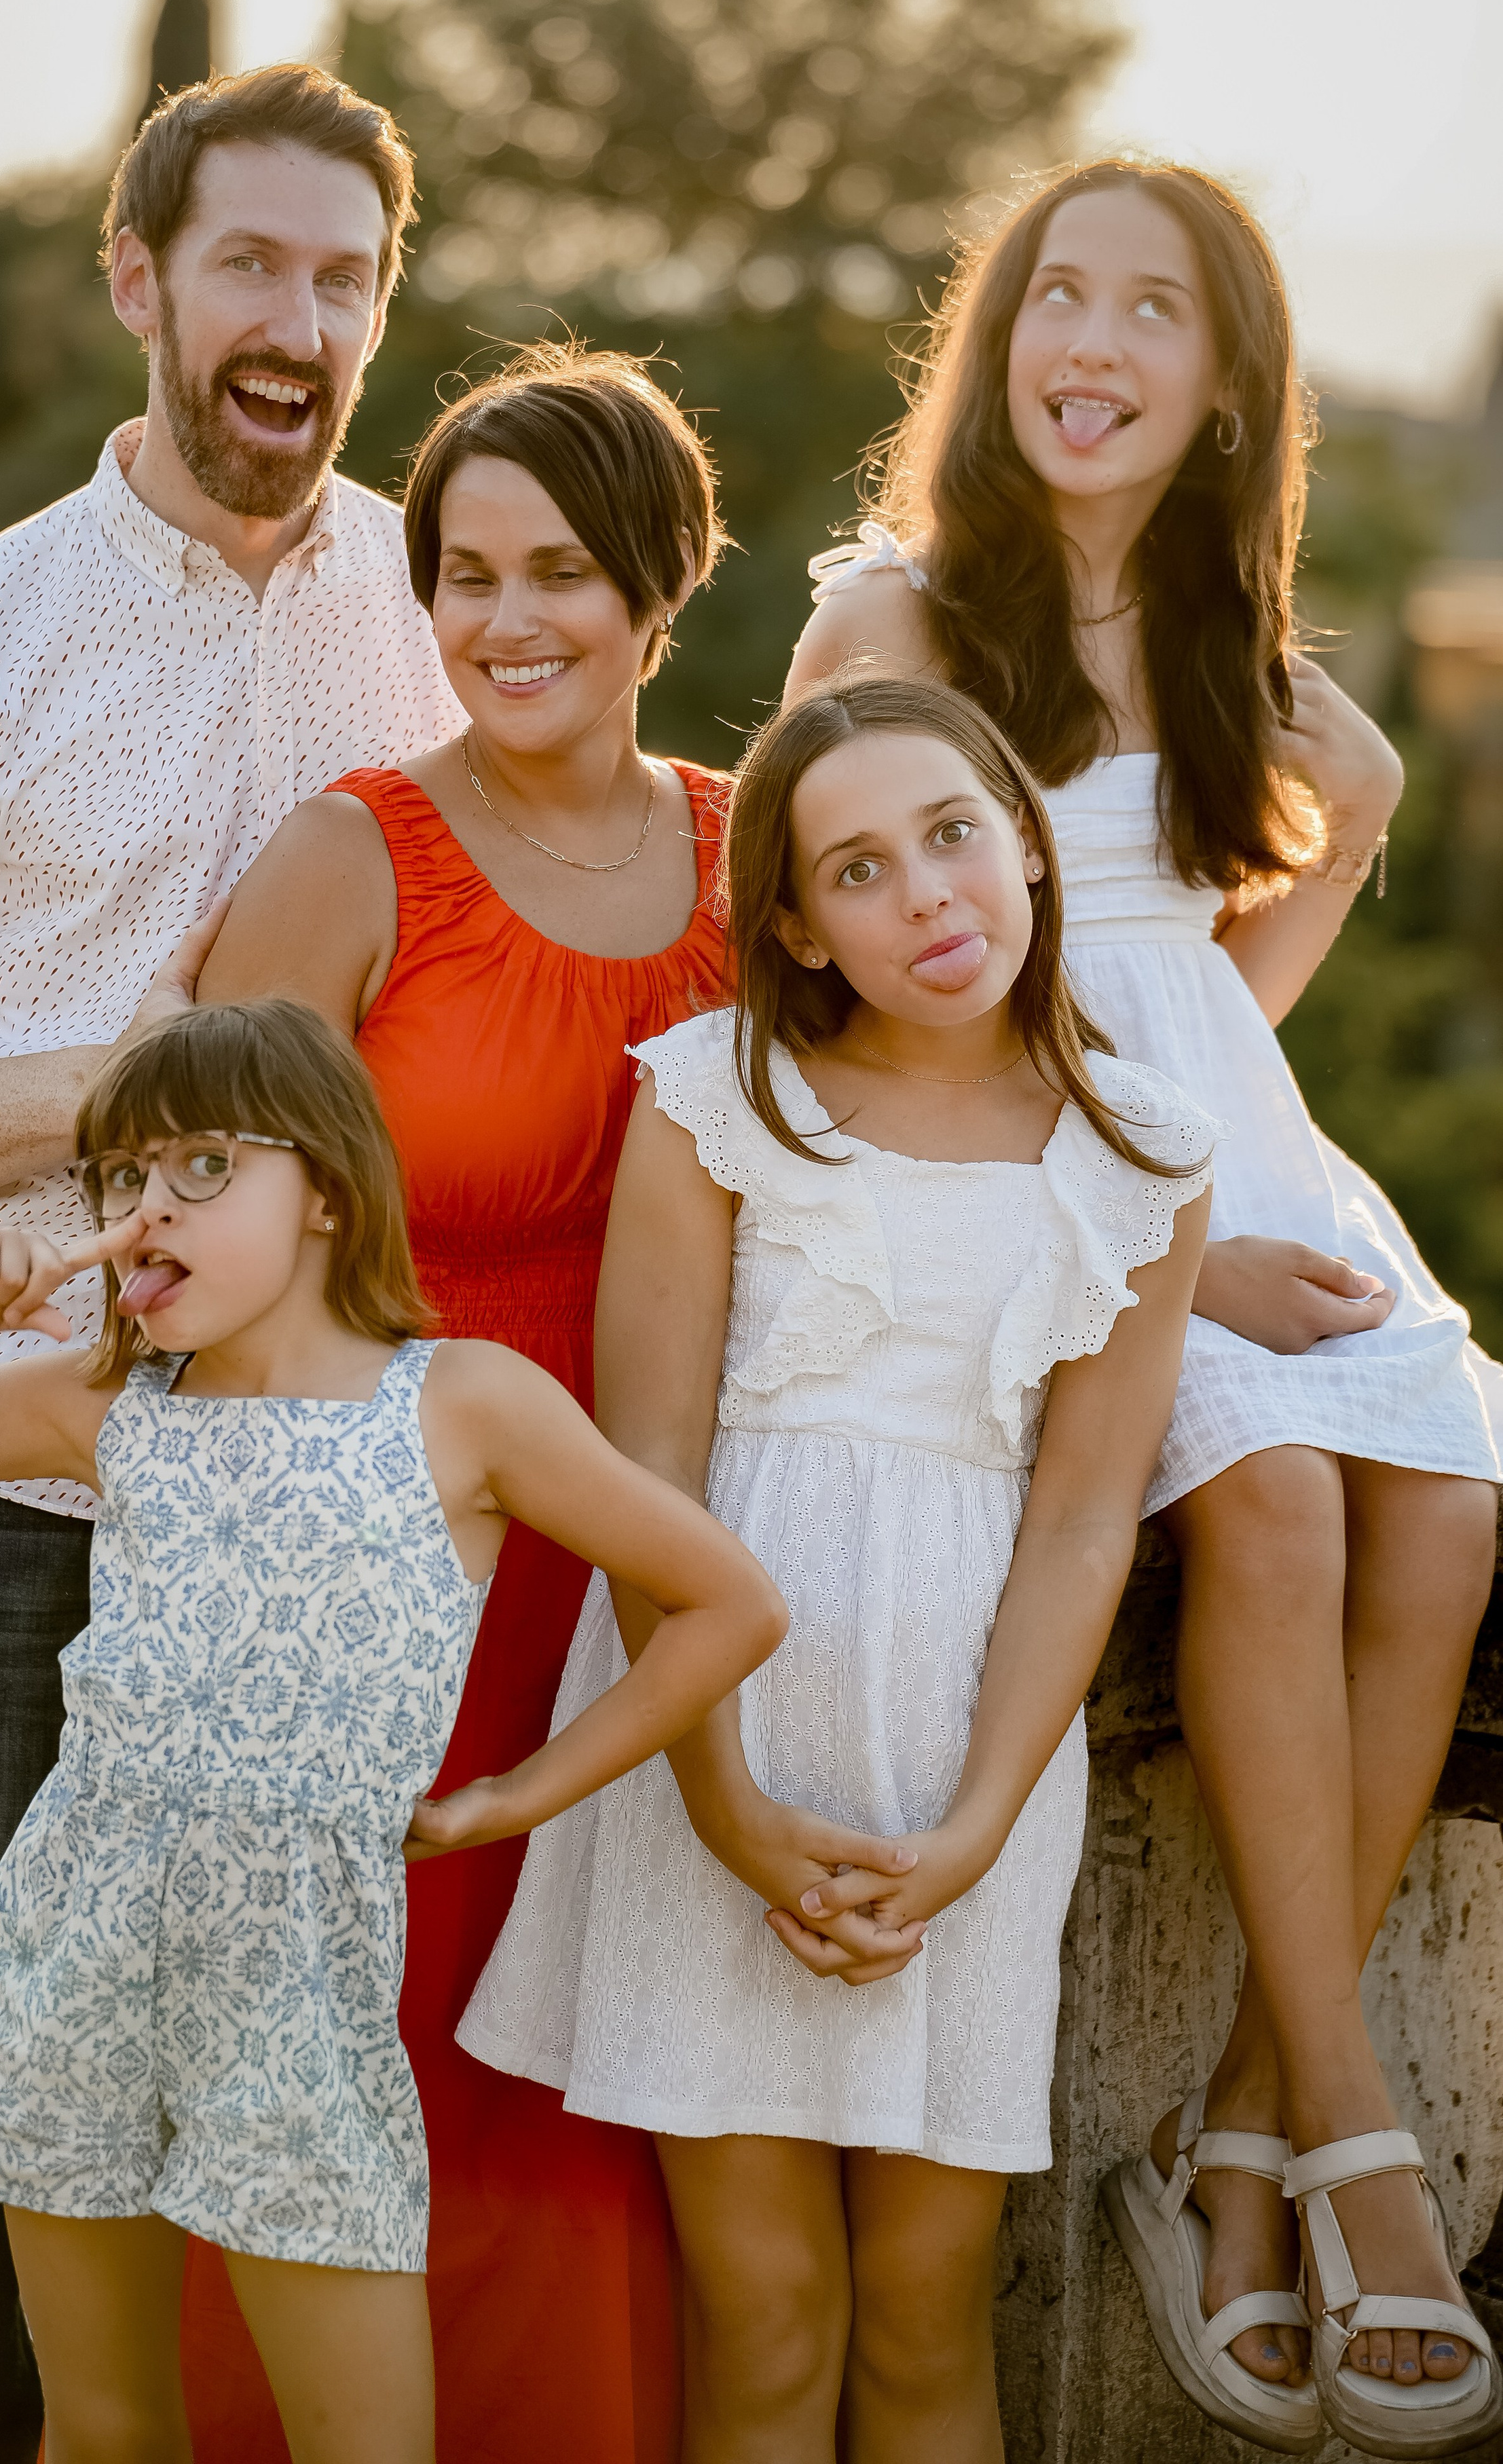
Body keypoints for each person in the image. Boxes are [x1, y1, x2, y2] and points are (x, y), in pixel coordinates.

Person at [0, 62, 460, 2463]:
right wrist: (142, 1104)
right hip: (21, 1480)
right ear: (140, 279)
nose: (300, 317)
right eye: (249, 263)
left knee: (310, 2039)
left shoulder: (450, 607)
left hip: (326, 1485)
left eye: (346, 276)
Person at [787, 157, 1503, 2457]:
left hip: (1226, 1139)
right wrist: (1184, 1248)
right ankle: (1353, 2144)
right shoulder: (900, 619)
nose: (1091, 343)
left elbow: (1197, 967)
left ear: (1221, 388)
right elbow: (863, 1015)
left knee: (1450, 1515)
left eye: (1152, 312)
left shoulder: (1224, 643)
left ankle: (1233, 2131)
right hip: (1031, 1204)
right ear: (998, 353)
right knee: (1276, 1504)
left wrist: (1360, 803)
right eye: (1054, 299)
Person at [195, 343, 912, 2463]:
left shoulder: (749, 857)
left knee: (596, 2099)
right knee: (357, 2084)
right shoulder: (352, 858)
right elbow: (206, 1228)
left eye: (562, 573)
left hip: (660, 1557)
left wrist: (1195, 1251)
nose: (508, 620)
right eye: (466, 573)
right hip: (387, 1571)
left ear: (663, 592)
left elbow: (920, 1129)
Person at [0, 997, 788, 2464]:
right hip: (75, 1951)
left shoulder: (464, 1405)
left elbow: (728, 1605)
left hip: (297, 1990)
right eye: (121, 1178)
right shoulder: (105, 1404)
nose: (143, 1209)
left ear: (321, 1187)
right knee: (105, 2428)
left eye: (198, 1169)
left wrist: (516, 1797)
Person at [459, 673, 1212, 2461]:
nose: (928, 896)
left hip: (967, 1769)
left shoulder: (1144, 1153)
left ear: (1025, 842)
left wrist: (968, 1833)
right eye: (858, 869)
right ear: (795, 920)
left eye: (954, 833)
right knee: (770, 2313)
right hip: (703, 1751)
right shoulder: (724, 1099)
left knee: (929, 2318)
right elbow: (643, 1470)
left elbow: (1085, 1519)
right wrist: (715, 1798)